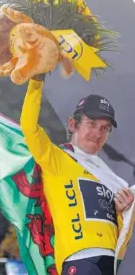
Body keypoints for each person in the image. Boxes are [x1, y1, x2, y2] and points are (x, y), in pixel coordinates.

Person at [20, 76, 134, 275]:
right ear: (73, 124)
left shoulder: (111, 178)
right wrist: (37, 80)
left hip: (109, 263)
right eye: (91, 124)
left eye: (104, 128)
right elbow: (29, 128)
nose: (97, 133)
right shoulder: (56, 159)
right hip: (78, 259)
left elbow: (119, 239)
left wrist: (121, 212)